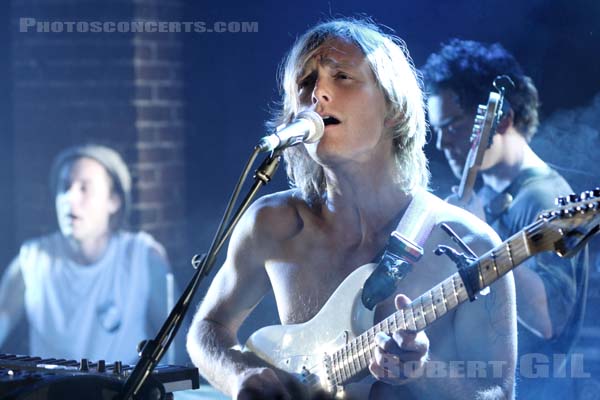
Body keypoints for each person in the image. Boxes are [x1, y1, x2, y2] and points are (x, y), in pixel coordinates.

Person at [187, 19, 517, 399]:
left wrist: (424, 372)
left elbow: (499, 391)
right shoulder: (272, 223)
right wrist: (237, 375)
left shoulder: (469, 244)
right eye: (305, 82)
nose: (318, 93)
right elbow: (208, 327)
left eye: (341, 76)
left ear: (393, 107)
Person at [422, 39, 588, 399]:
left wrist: (484, 241)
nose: (441, 144)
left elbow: (548, 321)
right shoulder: (489, 198)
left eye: (451, 126)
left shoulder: (544, 198)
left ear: (502, 120)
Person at [0, 144, 174, 365]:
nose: (70, 198)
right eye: (64, 187)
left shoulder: (141, 256)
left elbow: (176, 341)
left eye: (84, 188)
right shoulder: (33, 259)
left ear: (114, 201)